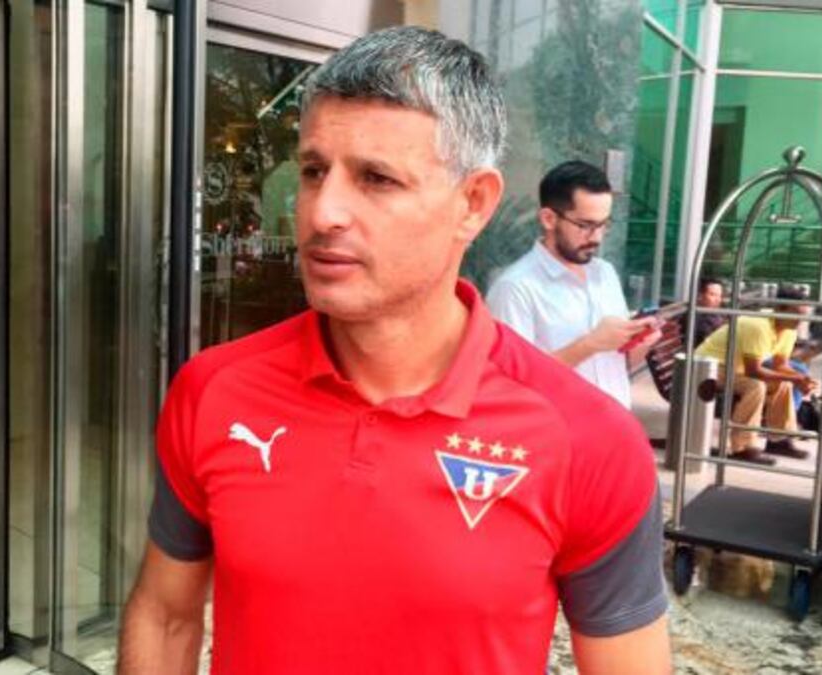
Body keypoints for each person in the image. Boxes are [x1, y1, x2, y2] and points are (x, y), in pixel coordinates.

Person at [118, 26, 670, 675]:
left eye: (376, 178)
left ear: (473, 203)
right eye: (314, 171)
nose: (322, 212)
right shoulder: (215, 391)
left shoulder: (589, 441)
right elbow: (166, 614)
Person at [486, 161, 659, 409]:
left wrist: (641, 343)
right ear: (548, 219)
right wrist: (590, 344)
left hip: (615, 422)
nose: (597, 237)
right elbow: (512, 382)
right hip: (557, 428)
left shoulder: (605, 273)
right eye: (585, 226)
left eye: (603, 225)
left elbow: (616, 367)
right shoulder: (515, 288)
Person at [695, 285, 818, 464]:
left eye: (804, 315)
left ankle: (779, 440)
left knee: (784, 384)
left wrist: (802, 380)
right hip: (707, 367)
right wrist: (796, 378)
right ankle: (742, 447)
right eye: (797, 314)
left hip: (732, 369)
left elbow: (780, 365)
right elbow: (754, 371)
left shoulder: (789, 330)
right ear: (780, 309)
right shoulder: (759, 326)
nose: (800, 320)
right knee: (755, 386)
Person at [691, 276, 726, 346]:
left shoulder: (713, 313)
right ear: (700, 296)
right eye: (713, 295)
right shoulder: (697, 318)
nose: (718, 300)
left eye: (720, 296)